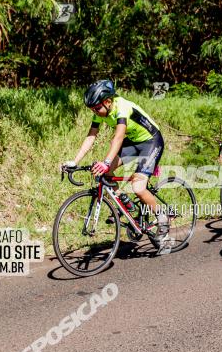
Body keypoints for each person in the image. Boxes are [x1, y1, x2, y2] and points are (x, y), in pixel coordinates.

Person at [63, 80, 170, 252]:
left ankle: (163, 218)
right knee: (106, 176)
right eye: (92, 110)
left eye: (96, 109)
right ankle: (127, 204)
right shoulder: (100, 110)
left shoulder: (123, 107)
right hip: (133, 142)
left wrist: (105, 162)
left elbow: (118, 137)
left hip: (151, 142)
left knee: (138, 187)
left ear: (107, 101)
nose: (95, 112)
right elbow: (91, 136)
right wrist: (74, 161)